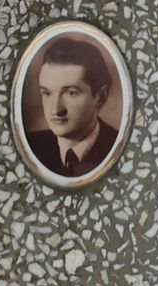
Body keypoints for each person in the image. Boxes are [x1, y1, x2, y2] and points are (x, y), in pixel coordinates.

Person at [25, 32, 122, 181]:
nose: (56, 109)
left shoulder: (119, 148)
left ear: (101, 97)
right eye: (47, 93)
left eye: (71, 93)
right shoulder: (31, 146)